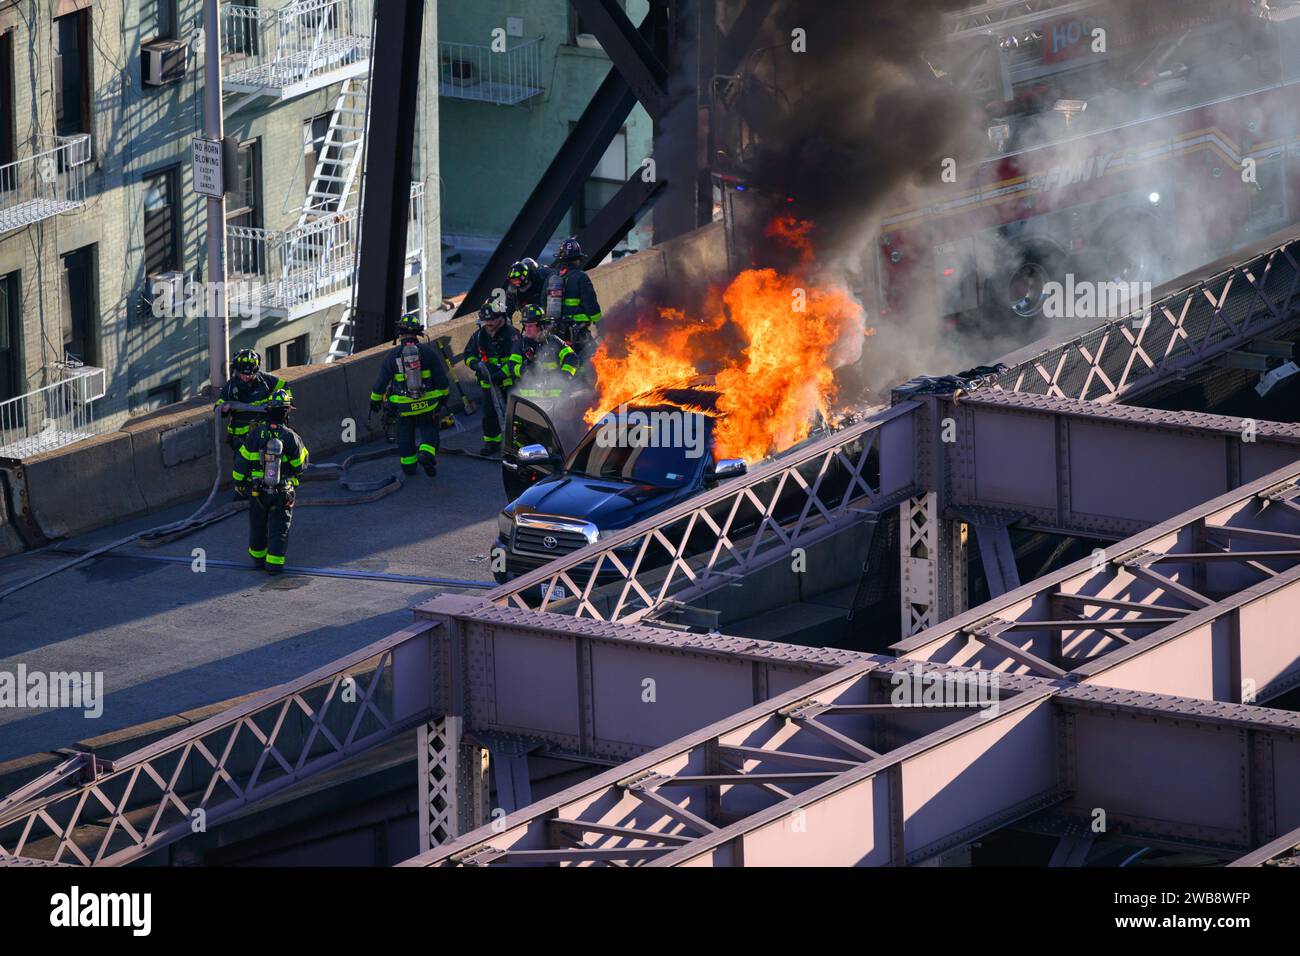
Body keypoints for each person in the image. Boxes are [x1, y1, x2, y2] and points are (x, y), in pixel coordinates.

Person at [232, 388, 307, 574]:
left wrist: (239, 483)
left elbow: (242, 461)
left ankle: (258, 560)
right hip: (282, 491)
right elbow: (301, 465)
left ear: (268, 410)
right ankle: (274, 565)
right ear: (287, 412)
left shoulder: (256, 434)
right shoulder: (291, 437)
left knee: (258, 524)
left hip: (257, 490)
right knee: (278, 527)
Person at [369, 314, 451, 478]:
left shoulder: (392, 356)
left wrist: (375, 400)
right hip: (428, 405)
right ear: (418, 333)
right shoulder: (428, 353)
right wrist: (443, 398)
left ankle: (409, 466)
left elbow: (381, 382)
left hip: (404, 407)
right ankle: (426, 455)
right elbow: (441, 379)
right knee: (429, 430)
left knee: (405, 436)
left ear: (400, 334)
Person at [462, 300, 523, 456]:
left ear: (501, 317)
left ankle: (516, 444)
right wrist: (476, 365)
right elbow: (468, 354)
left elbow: (515, 358)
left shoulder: (513, 334)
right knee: (489, 414)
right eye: (486, 319)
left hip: (509, 383)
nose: (488, 322)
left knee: (513, 414)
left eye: (492, 319)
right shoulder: (478, 336)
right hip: (488, 384)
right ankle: (492, 442)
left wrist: (501, 374)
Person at [215, 349, 286, 453]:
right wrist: (223, 409)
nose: (246, 377)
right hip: (241, 438)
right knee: (244, 465)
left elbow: (284, 386)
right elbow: (218, 405)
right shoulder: (231, 387)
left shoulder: (265, 380)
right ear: (237, 371)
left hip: (265, 432)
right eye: (243, 374)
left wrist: (284, 403)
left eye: (250, 374)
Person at [549, 236, 602, 360]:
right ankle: (583, 379)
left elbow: (543, 301)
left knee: (562, 360)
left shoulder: (552, 279)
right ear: (577, 259)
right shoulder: (581, 277)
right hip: (578, 332)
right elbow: (591, 304)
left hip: (556, 331)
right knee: (591, 358)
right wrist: (600, 323)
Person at [516, 305, 577, 401]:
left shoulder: (553, 341)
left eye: (531, 326)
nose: (527, 329)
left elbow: (571, 357)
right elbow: (512, 366)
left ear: (541, 326)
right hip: (530, 401)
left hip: (555, 399)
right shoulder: (521, 344)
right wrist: (525, 370)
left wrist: (564, 377)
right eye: (525, 326)